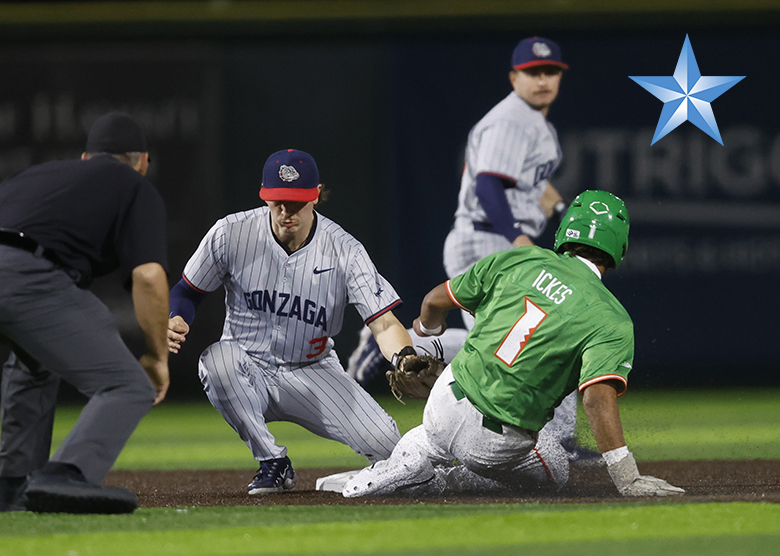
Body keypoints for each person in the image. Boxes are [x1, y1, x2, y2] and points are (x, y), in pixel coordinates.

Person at [336, 191, 685, 498]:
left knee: (434, 436)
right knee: (557, 469)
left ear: (567, 232)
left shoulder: (521, 258)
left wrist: (428, 330)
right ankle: (443, 482)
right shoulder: (611, 317)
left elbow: (433, 301)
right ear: (618, 247)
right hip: (495, 439)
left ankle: (405, 461)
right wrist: (626, 476)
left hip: (444, 397)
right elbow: (595, 399)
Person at [167, 149, 421, 495]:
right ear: (264, 195)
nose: (286, 211)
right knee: (216, 361)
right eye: (278, 201)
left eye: (296, 201)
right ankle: (273, 461)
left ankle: (364, 473)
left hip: (311, 370)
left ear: (316, 194)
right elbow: (187, 291)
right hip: (246, 368)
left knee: (392, 447)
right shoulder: (231, 233)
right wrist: (177, 316)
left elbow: (384, 323)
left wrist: (403, 356)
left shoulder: (344, 249)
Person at [0, 112, 170, 514]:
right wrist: (157, 356)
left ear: (84, 158)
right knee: (128, 386)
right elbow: (148, 277)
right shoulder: (132, 184)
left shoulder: (34, 176)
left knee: (35, 362)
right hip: (26, 275)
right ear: (143, 161)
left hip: (15, 265)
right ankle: (67, 474)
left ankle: (9, 485)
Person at [441, 36, 590, 461]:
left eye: (550, 72)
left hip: (496, 237)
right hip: (487, 239)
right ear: (514, 77)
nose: (542, 80)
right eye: (533, 72)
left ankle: (415, 341)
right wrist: (518, 240)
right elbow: (489, 182)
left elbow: (526, 181)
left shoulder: (532, 122)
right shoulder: (513, 120)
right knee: (528, 336)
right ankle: (405, 344)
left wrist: (560, 208)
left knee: (522, 334)